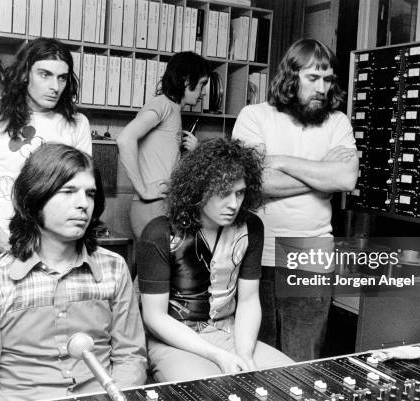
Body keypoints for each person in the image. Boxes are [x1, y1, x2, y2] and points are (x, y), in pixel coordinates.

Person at [0, 144, 147, 401]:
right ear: (34, 197)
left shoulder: (114, 268)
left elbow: (130, 357)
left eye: (90, 194)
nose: (83, 205)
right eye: (68, 191)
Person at [232, 39, 358, 361]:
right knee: (257, 356)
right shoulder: (254, 116)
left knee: (303, 358)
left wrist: (282, 161)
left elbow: (345, 179)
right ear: (291, 76)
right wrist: (321, 177)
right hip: (256, 251)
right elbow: (255, 183)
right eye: (313, 78)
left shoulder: (338, 122)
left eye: (328, 80)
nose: (322, 88)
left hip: (311, 253)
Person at [137, 139, 293, 382]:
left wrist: (244, 354)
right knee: (207, 391)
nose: (233, 204)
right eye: (223, 192)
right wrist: (218, 356)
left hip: (229, 333)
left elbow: (249, 299)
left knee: (291, 379)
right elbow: (154, 317)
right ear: (198, 189)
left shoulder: (251, 227)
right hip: (174, 339)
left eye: (239, 193)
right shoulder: (158, 233)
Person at [0, 38, 92, 261]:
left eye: (62, 78)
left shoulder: (77, 123)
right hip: (1, 245)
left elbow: (83, 190)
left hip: (59, 249)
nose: (54, 87)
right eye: (44, 74)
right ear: (25, 73)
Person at [116, 51, 211, 238]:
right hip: (152, 206)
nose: (204, 92)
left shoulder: (173, 110)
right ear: (186, 81)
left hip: (165, 205)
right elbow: (125, 139)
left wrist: (196, 152)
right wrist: (143, 190)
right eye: (202, 84)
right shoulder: (163, 104)